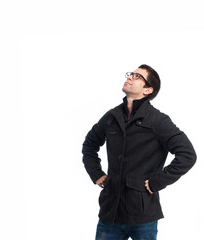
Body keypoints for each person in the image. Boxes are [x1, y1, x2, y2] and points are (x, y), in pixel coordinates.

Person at [82, 64, 196, 240]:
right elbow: (90, 144)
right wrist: (96, 173)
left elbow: (187, 154)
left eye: (138, 77)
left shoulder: (158, 121)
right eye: (131, 74)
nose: (131, 77)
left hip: (142, 215)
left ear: (148, 90)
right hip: (110, 212)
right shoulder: (111, 116)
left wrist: (157, 182)